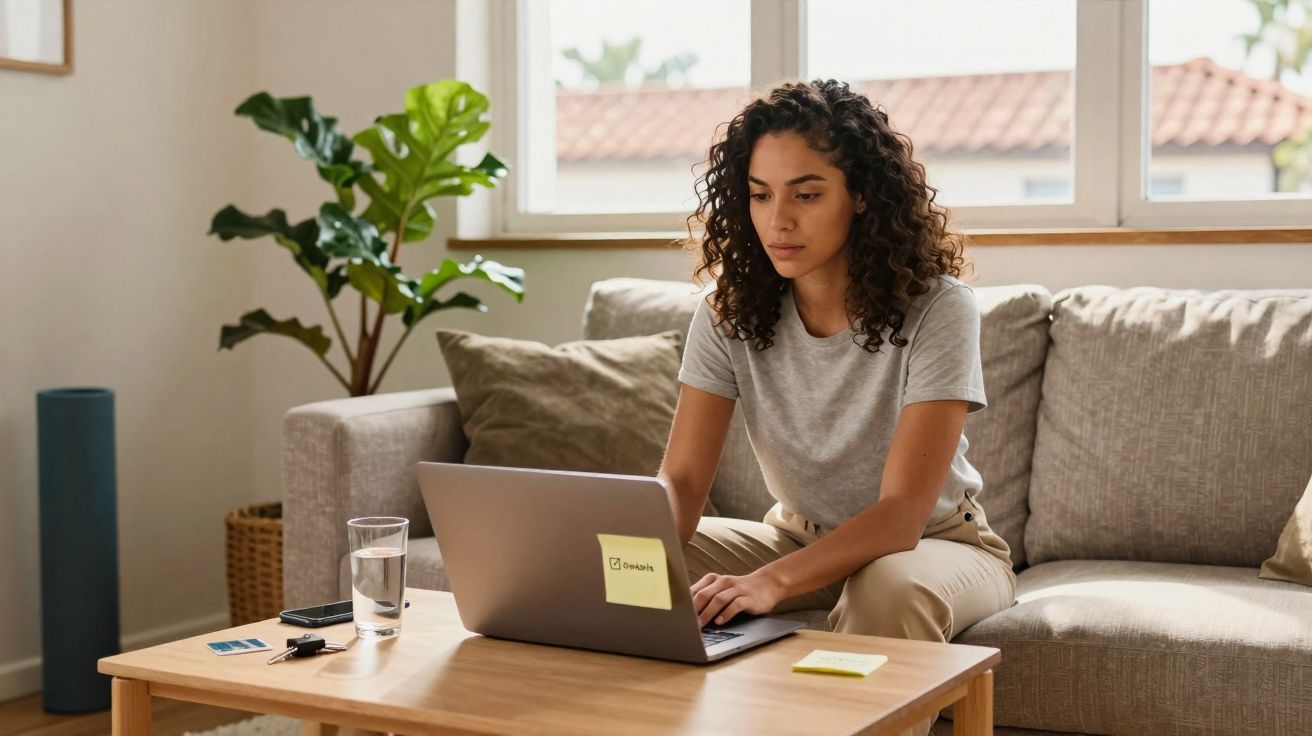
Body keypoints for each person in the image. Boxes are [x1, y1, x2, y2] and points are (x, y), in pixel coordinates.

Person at [657, 79, 1015, 736]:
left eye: (806, 194)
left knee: (887, 589)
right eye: (760, 195)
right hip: (800, 533)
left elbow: (901, 516)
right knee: (628, 566)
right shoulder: (724, 315)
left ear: (861, 195)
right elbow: (680, 484)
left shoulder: (939, 308)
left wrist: (770, 584)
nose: (778, 220)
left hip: (939, 543)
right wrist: (621, 547)